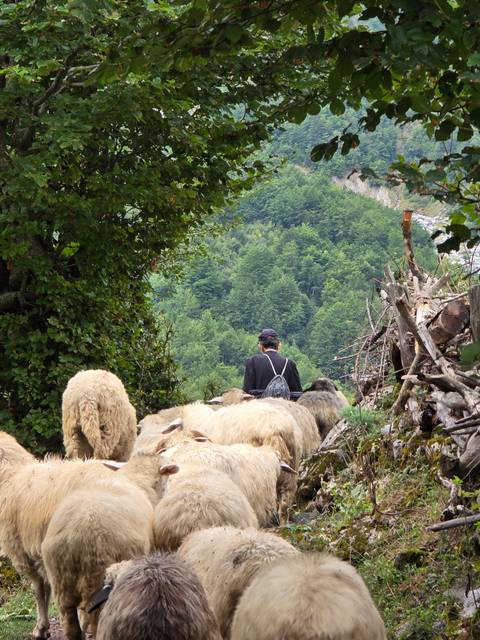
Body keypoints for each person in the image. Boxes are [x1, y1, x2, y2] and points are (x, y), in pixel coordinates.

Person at [243, 328, 302, 399]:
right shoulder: (289, 363)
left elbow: (247, 392)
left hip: (260, 406)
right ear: (279, 345)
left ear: (260, 345)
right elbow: (297, 394)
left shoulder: (253, 361)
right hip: (284, 406)